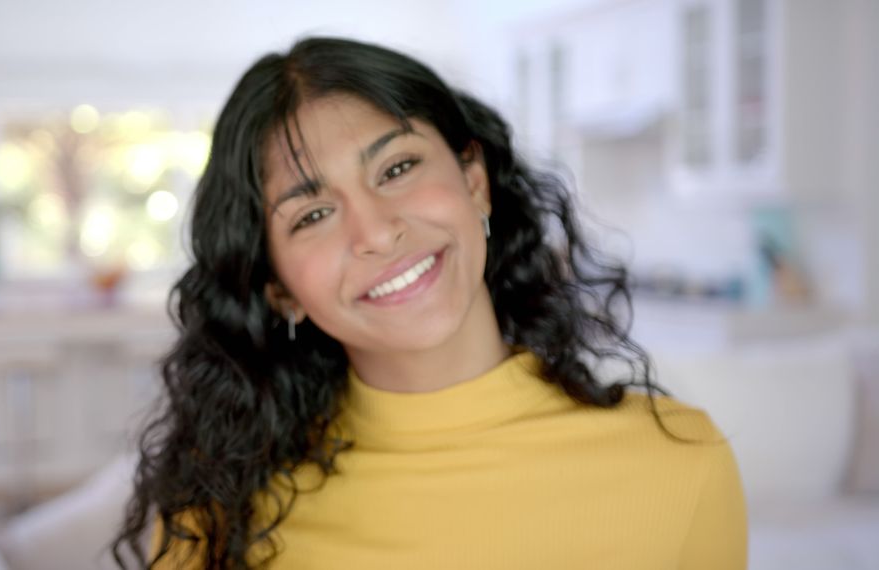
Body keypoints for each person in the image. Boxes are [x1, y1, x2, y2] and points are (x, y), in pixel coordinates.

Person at [112, 36, 747, 569]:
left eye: (396, 169)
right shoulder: (219, 509)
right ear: (278, 287)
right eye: (313, 214)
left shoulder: (681, 466)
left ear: (474, 182)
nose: (377, 232)